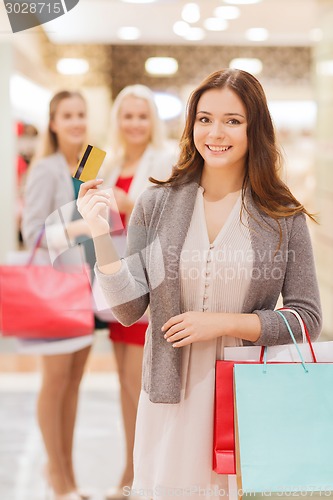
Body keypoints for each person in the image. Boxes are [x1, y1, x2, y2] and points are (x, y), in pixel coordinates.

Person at [77, 69, 322, 499]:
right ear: (191, 126)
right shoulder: (157, 203)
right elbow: (129, 309)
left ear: (254, 128)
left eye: (233, 120)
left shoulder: (282, 215)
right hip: (171, 399)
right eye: (205, 118)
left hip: (249, 397)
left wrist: (225, 323)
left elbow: (307, 319)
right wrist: (100, 231)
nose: (215, 132)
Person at [99, 84, 176, 498]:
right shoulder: (108, 164)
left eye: (141, 116)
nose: (134, 124)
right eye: (127, 116)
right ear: (118, 120)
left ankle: (139, 476)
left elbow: (168, 221)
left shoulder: (164, 161)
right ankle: (131, 472)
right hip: (117, 286)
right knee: (126, 389)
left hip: (146, 288)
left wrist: (129, 204)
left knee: (142, 387)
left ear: (153, 121)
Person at [21, 91, 94, 500]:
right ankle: (59, 477)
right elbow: (32, 233)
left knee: (74, 383)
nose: (76, 122)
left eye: (81, 115)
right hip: (53, 291)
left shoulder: (92, 162)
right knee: (55, 382)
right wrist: (77, 231)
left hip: (87, 288)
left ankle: (67, 475)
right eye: (67, 115)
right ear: (53, 122)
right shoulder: (45, 169)